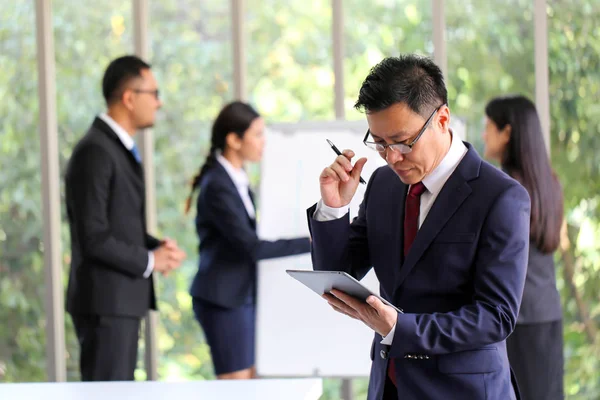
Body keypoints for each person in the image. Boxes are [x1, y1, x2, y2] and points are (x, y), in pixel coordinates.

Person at [307, 55, 531, 400]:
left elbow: (496, 316)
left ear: (442, 119)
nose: (390, 156)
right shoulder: (383, 184)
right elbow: (339, 274)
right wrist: (334, 208)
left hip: (464, 390)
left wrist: (402, 329)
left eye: (402, 141)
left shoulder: (500, 197)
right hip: (390, 386)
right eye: (378, 142)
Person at [65, 55, 186, 381]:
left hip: (118, 303)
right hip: (106, 303)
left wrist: (156, 246)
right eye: (154, 93)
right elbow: (93, 237)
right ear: (129, 98)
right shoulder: (96, 150)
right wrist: (149, 259)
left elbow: (116, 224)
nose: (159, 103)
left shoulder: (114, 147)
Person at [186, 101, 311, 380]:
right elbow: (250, 246)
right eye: (257, 134)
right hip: (223, 299)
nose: (263, 142)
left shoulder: (235, 178)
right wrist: (312, 241)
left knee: (250, 381)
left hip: (239, 296)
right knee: (237, 385)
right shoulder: (218, 185)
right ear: (233, 140)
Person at [483, 95, 564, 400]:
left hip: (515, 317)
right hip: (546, 312)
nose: (483, 134)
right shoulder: (549, 184)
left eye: (488, 126)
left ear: (507, 132)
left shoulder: (504, 188)